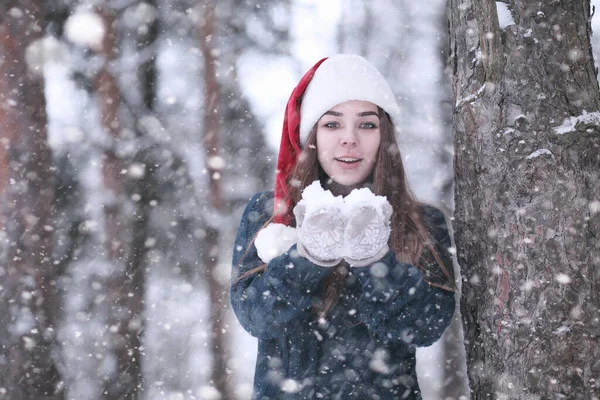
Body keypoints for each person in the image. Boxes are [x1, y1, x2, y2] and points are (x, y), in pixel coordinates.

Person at [231, 54, 457, 399]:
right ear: (312, 136)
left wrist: (376, 261)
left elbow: (425, 327)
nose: (349, 138)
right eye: (332, 124)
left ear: (385, 137)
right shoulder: (269, 215)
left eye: (367, 124)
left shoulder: (421, 221)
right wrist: (306, 259)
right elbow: (255, 316)